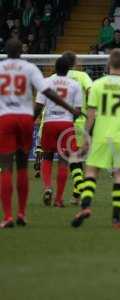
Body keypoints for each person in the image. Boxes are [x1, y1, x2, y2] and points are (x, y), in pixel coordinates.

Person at [0, 39, 79, 228]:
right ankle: (22, 213)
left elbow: (43, 97)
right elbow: (48, 92)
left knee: (6, 167)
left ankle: (8, 216)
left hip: (5, 119)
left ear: (5, 52)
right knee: (22, 167)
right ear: (21, 51)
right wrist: (69, 107)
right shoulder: (30, 68)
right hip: (25, 119)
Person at [71, 48, 120, 229]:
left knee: (91, 172)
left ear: (109, 64)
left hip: (101, 136)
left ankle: (85, 206)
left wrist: (86, 135)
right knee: (119, 175)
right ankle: (116, 219)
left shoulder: (97, 85)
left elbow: (91, 114)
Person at [34, 57, 83, 207]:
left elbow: (38, 106)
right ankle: (59, 199)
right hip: (66, 124)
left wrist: (30, 121)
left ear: (54, 67)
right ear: (69, 69)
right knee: (64, 160)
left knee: (47, 157)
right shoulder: (75, 85)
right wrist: (69, 120)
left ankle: (48, 187)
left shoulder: (46, 82)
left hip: (49, 122)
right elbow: (78, 111)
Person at [62, 51, 94, 205]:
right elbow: (91, 91)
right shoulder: (82, 76)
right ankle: (77, 194)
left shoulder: (59, 77)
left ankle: (78, 191)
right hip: (81, 120)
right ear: (76, 63)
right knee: (77, 158)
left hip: (64, 120)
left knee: (72, 159)